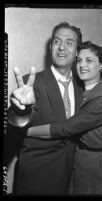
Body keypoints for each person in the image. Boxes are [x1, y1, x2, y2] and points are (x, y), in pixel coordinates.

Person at [24, 41, 102, 195]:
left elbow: (66, 128)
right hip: (81, 160)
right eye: (79, 60)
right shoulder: (90, 86)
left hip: (99, 166)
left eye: (89, 60)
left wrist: (26, 131)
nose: (81, 65)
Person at [7, 22, 84, 195]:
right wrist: (21, 110)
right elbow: (15, 123)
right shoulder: (31, 84)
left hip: (71, 177)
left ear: (77, 51)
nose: (62, 47)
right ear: (51, 47)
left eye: (69, 43)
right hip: (37, 178)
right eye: (57, 42)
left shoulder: (83, 86)